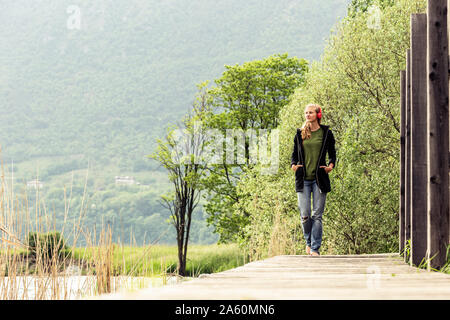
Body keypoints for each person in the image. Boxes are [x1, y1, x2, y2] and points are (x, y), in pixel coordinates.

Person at [291, 103, 336, 256]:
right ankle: (308, 243)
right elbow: (294, 154)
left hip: (319, 179)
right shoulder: (300, 133)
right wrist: (293, 165)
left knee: (317, 215)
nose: (307, 115)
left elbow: (333, 153)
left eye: (310, 112)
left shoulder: (326, 133)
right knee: (304, 215)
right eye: (306, 113)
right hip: (303, 179)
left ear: (317, 115)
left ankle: (314, 248)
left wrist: (330, 165)